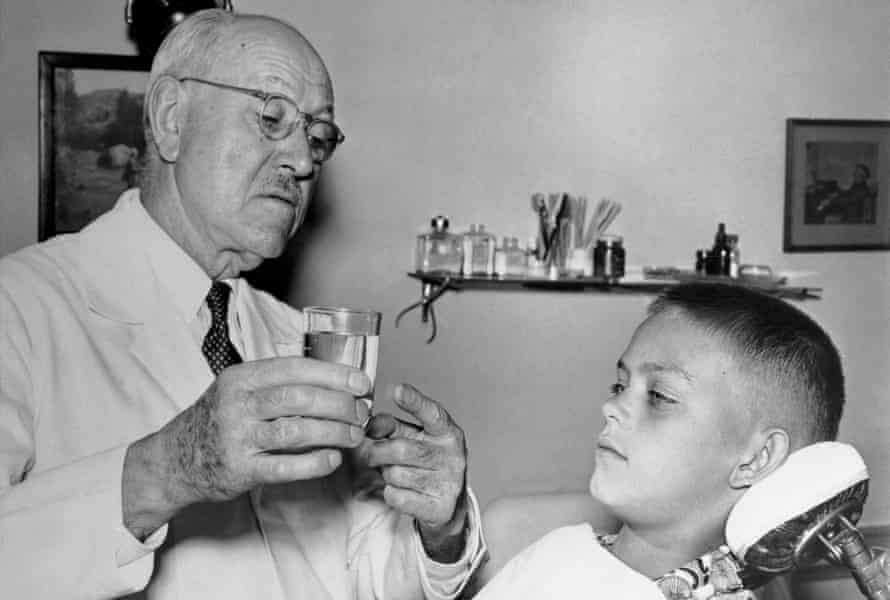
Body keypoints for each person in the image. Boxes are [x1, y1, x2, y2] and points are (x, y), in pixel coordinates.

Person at [0, 9, 485, 599]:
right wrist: (169, 468)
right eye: (271, 117)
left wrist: (442, 527)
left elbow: (357, 568)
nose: (304, 162)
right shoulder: (20, 311)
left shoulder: (293, 333)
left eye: (317, 136)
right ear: (171, 119)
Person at [471, 282, 845, 599]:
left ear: (756, 458)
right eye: (619, 386)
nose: (610, 406)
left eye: (660, 397)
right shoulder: (557, 552)